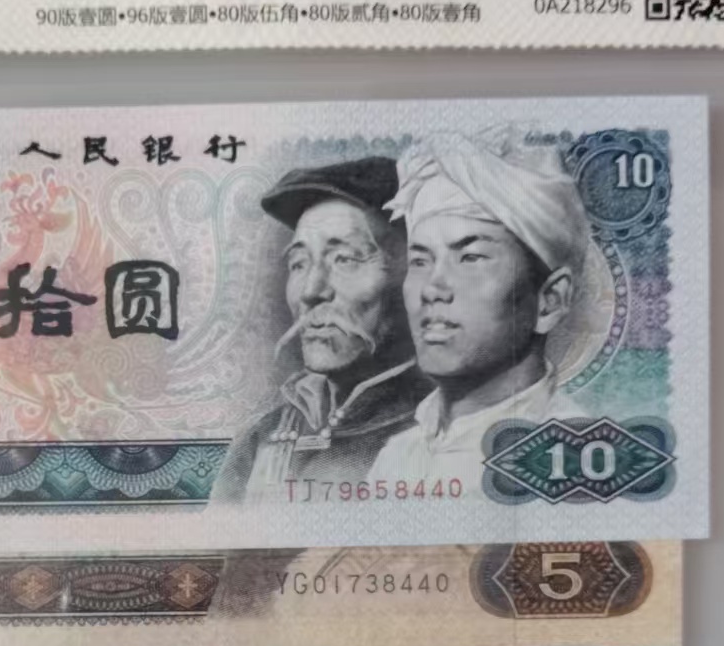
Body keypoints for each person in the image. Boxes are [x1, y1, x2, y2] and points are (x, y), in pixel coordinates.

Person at [366, 129, 591, 491]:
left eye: (470, 257)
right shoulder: (396, 457)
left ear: (550, 299)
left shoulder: (576, 457)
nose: (432, 289)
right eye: (420, 260)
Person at [213, 157, 427, 500]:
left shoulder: (446, 428)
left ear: (416, 272)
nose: (311, 291)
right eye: (299, 263)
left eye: (344, 259)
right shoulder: (259, 440)